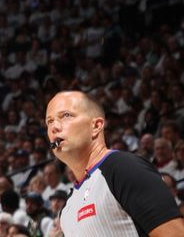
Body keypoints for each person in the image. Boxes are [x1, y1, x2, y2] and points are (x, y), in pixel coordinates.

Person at [45, 91, 184, 236]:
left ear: (96, 126)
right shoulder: (67, 209)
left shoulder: (124, 168)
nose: (54, 127)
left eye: (66, 115)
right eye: (49, 121)